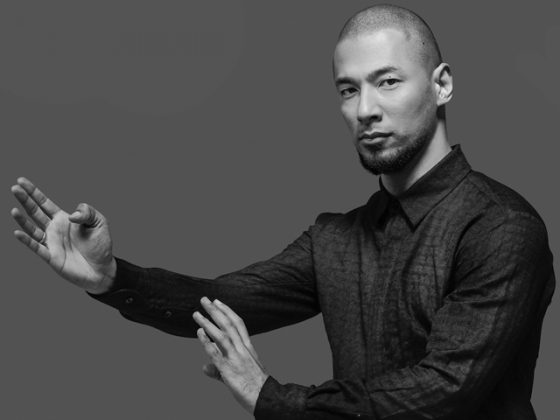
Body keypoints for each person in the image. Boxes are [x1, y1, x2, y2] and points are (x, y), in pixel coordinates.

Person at [10, 4, 555, 419]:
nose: (365, 109)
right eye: (348, 90)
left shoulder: (501, 227)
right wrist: (111, 278)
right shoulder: (335, 238)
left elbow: (442, 392)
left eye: (387, 81)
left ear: (442, 85)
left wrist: (269, 397)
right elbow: (222, 302)